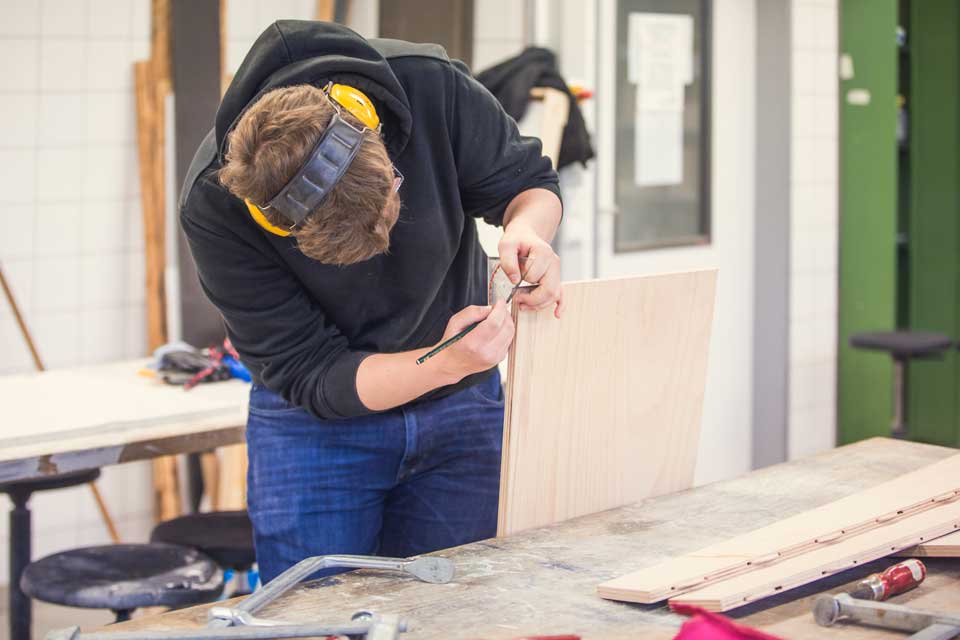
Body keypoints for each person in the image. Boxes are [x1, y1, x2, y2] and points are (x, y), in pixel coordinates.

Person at [179, 20, 563, 583]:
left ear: (379, 138)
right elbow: (311, 372)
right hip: (317, 429)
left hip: (459, 412)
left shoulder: (432, 88)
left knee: (452, 615)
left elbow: (529, 182)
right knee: (317, 618)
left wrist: (528, 230)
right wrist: (448, 359)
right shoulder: (216, 205)